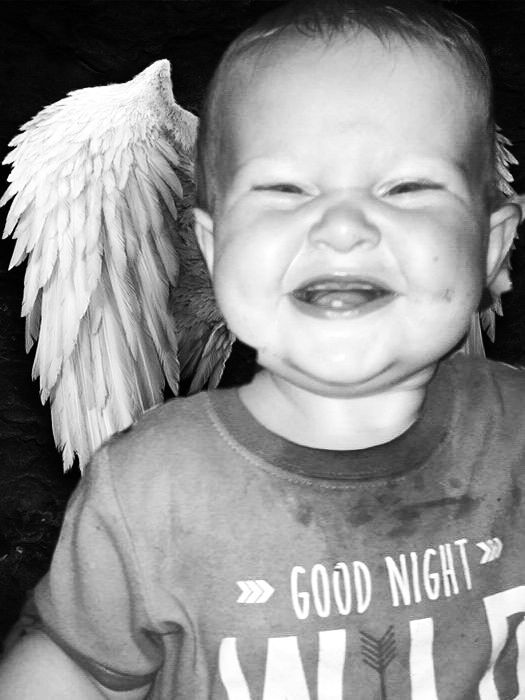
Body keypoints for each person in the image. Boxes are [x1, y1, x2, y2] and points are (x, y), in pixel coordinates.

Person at [0, 0, 524, 697]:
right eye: (284, 190)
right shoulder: (153, 484)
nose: (342, 226)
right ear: (213, 245)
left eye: (406, 188)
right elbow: (78, 670)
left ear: (490, 247)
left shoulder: (515, 429)